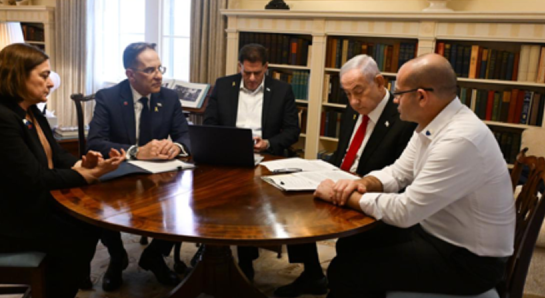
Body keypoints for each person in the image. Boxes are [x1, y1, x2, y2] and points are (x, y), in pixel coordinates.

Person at [314, 53, 516, 297]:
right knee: (354, 243)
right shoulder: (432, 124)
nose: (395, 100)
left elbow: (405, 212)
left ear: (421, 96)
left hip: (469, 261)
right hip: (438, 236)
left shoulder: (459, 140)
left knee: (345, 270)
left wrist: (344, 197)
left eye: (399, 93)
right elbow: (398, 172)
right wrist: (361, 183)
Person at [0, 43, 124, 298]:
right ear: (17, 76)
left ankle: (57, 285)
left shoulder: (29, 109)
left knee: (89, 219)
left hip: (19, 205)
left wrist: (84, 163)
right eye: (44, 76)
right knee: (77, 234)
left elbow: (57, 154)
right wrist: (86, 175)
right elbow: (33, 178)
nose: (51, 83)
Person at [274, 54, 416, 297]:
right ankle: (312, 273)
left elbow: (400, 177)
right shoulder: (353, 110)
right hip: (341, 180)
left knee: (347, 258)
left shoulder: (403, 118)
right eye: (347, 94)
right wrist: (310, 169)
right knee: (292, 204)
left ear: (379, 82)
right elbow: (343, 155)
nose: (353, 101)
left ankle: (342, 284)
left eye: (358, 92)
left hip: (369, 196)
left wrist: (357, 183)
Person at [87, 42, 190, 290]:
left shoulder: (169, 97)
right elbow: (95, 141)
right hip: (119, 172)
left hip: (158, 176)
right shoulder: (109, 97)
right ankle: (116, 256)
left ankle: (155, 254)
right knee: (95, 201)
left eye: (160, 68)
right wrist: (135, 151)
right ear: (130, 74)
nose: (159, 75)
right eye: (150, 70)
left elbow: (186, 136)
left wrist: (177, 147)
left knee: (185, 201)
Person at [202, 43, 301, 280]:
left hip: (266, 159)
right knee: (207, 196)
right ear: (240, 66)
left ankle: (245, 259)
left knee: (249, 199)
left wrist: (267, 143)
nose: (253, 78)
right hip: (228, 157)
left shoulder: (282, 90)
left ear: (267, 67)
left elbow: (292, 131)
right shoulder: (223, 85)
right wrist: (227, 142)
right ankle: (210, 249)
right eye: (247, 73)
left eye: (258, 73)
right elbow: (209, 123)